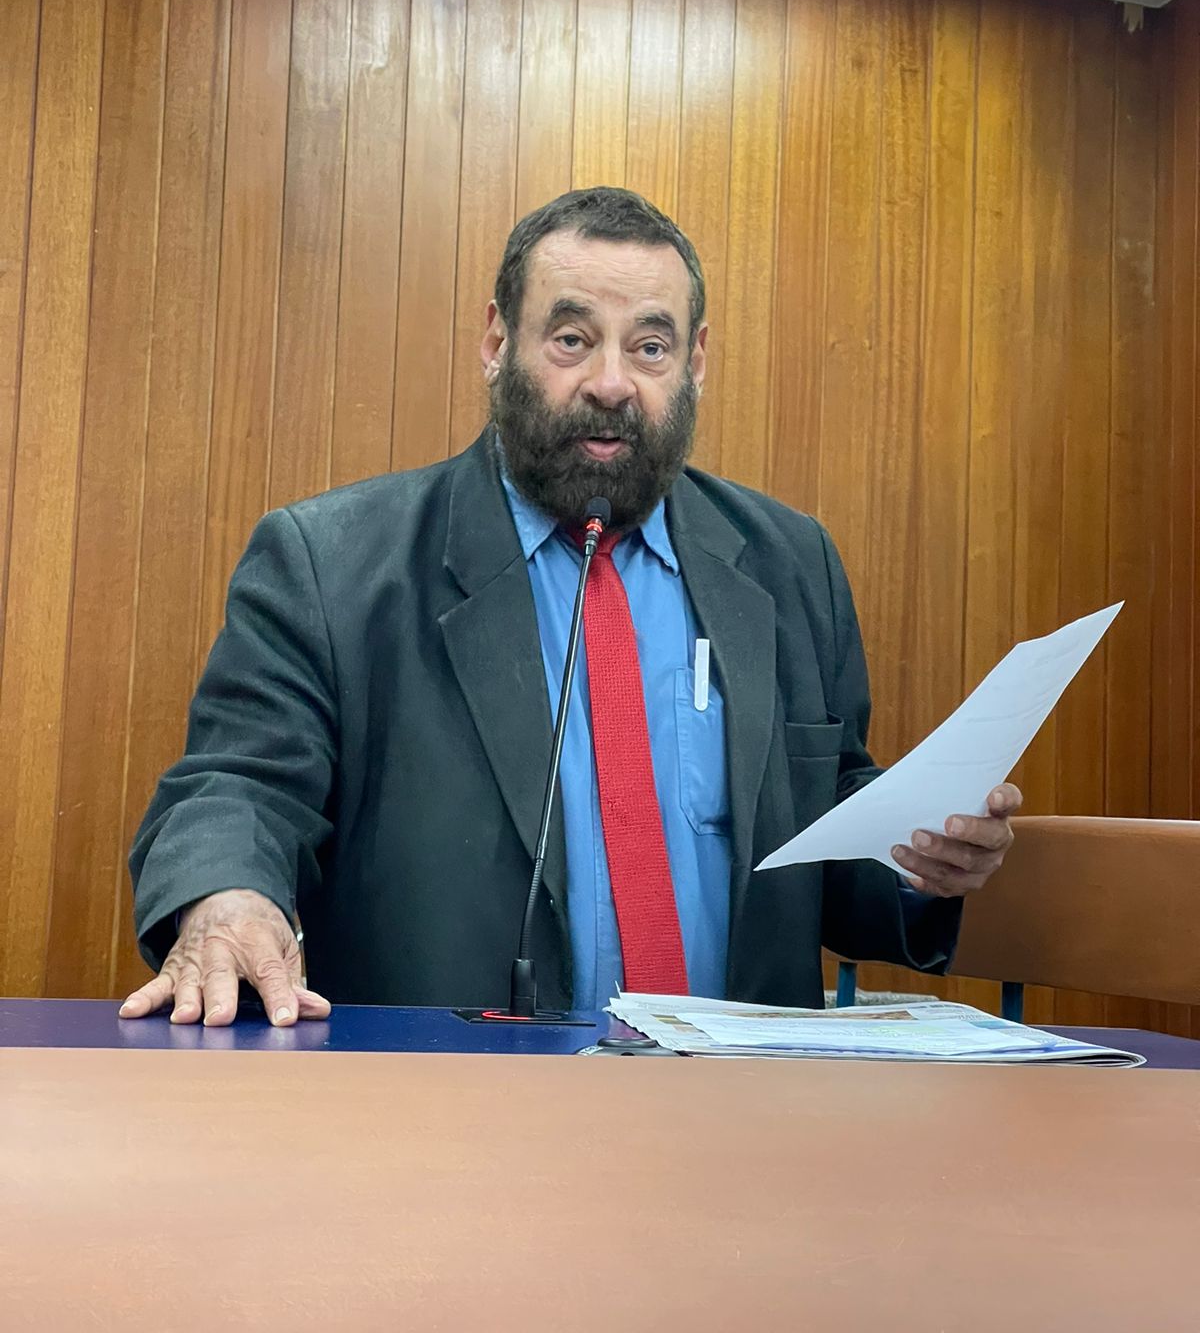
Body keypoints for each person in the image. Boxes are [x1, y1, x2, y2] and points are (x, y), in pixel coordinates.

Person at [121, 187, 1019, 1028]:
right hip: (452, 1109)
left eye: (650, 347)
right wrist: (226, 894)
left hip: (742, 1111)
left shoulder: (790, 564)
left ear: (696, 361)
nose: (612, 383)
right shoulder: (331, 564)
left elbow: (828, 837)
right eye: (572, 339)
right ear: (497, 342)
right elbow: (238, 786)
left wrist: (921, 861)